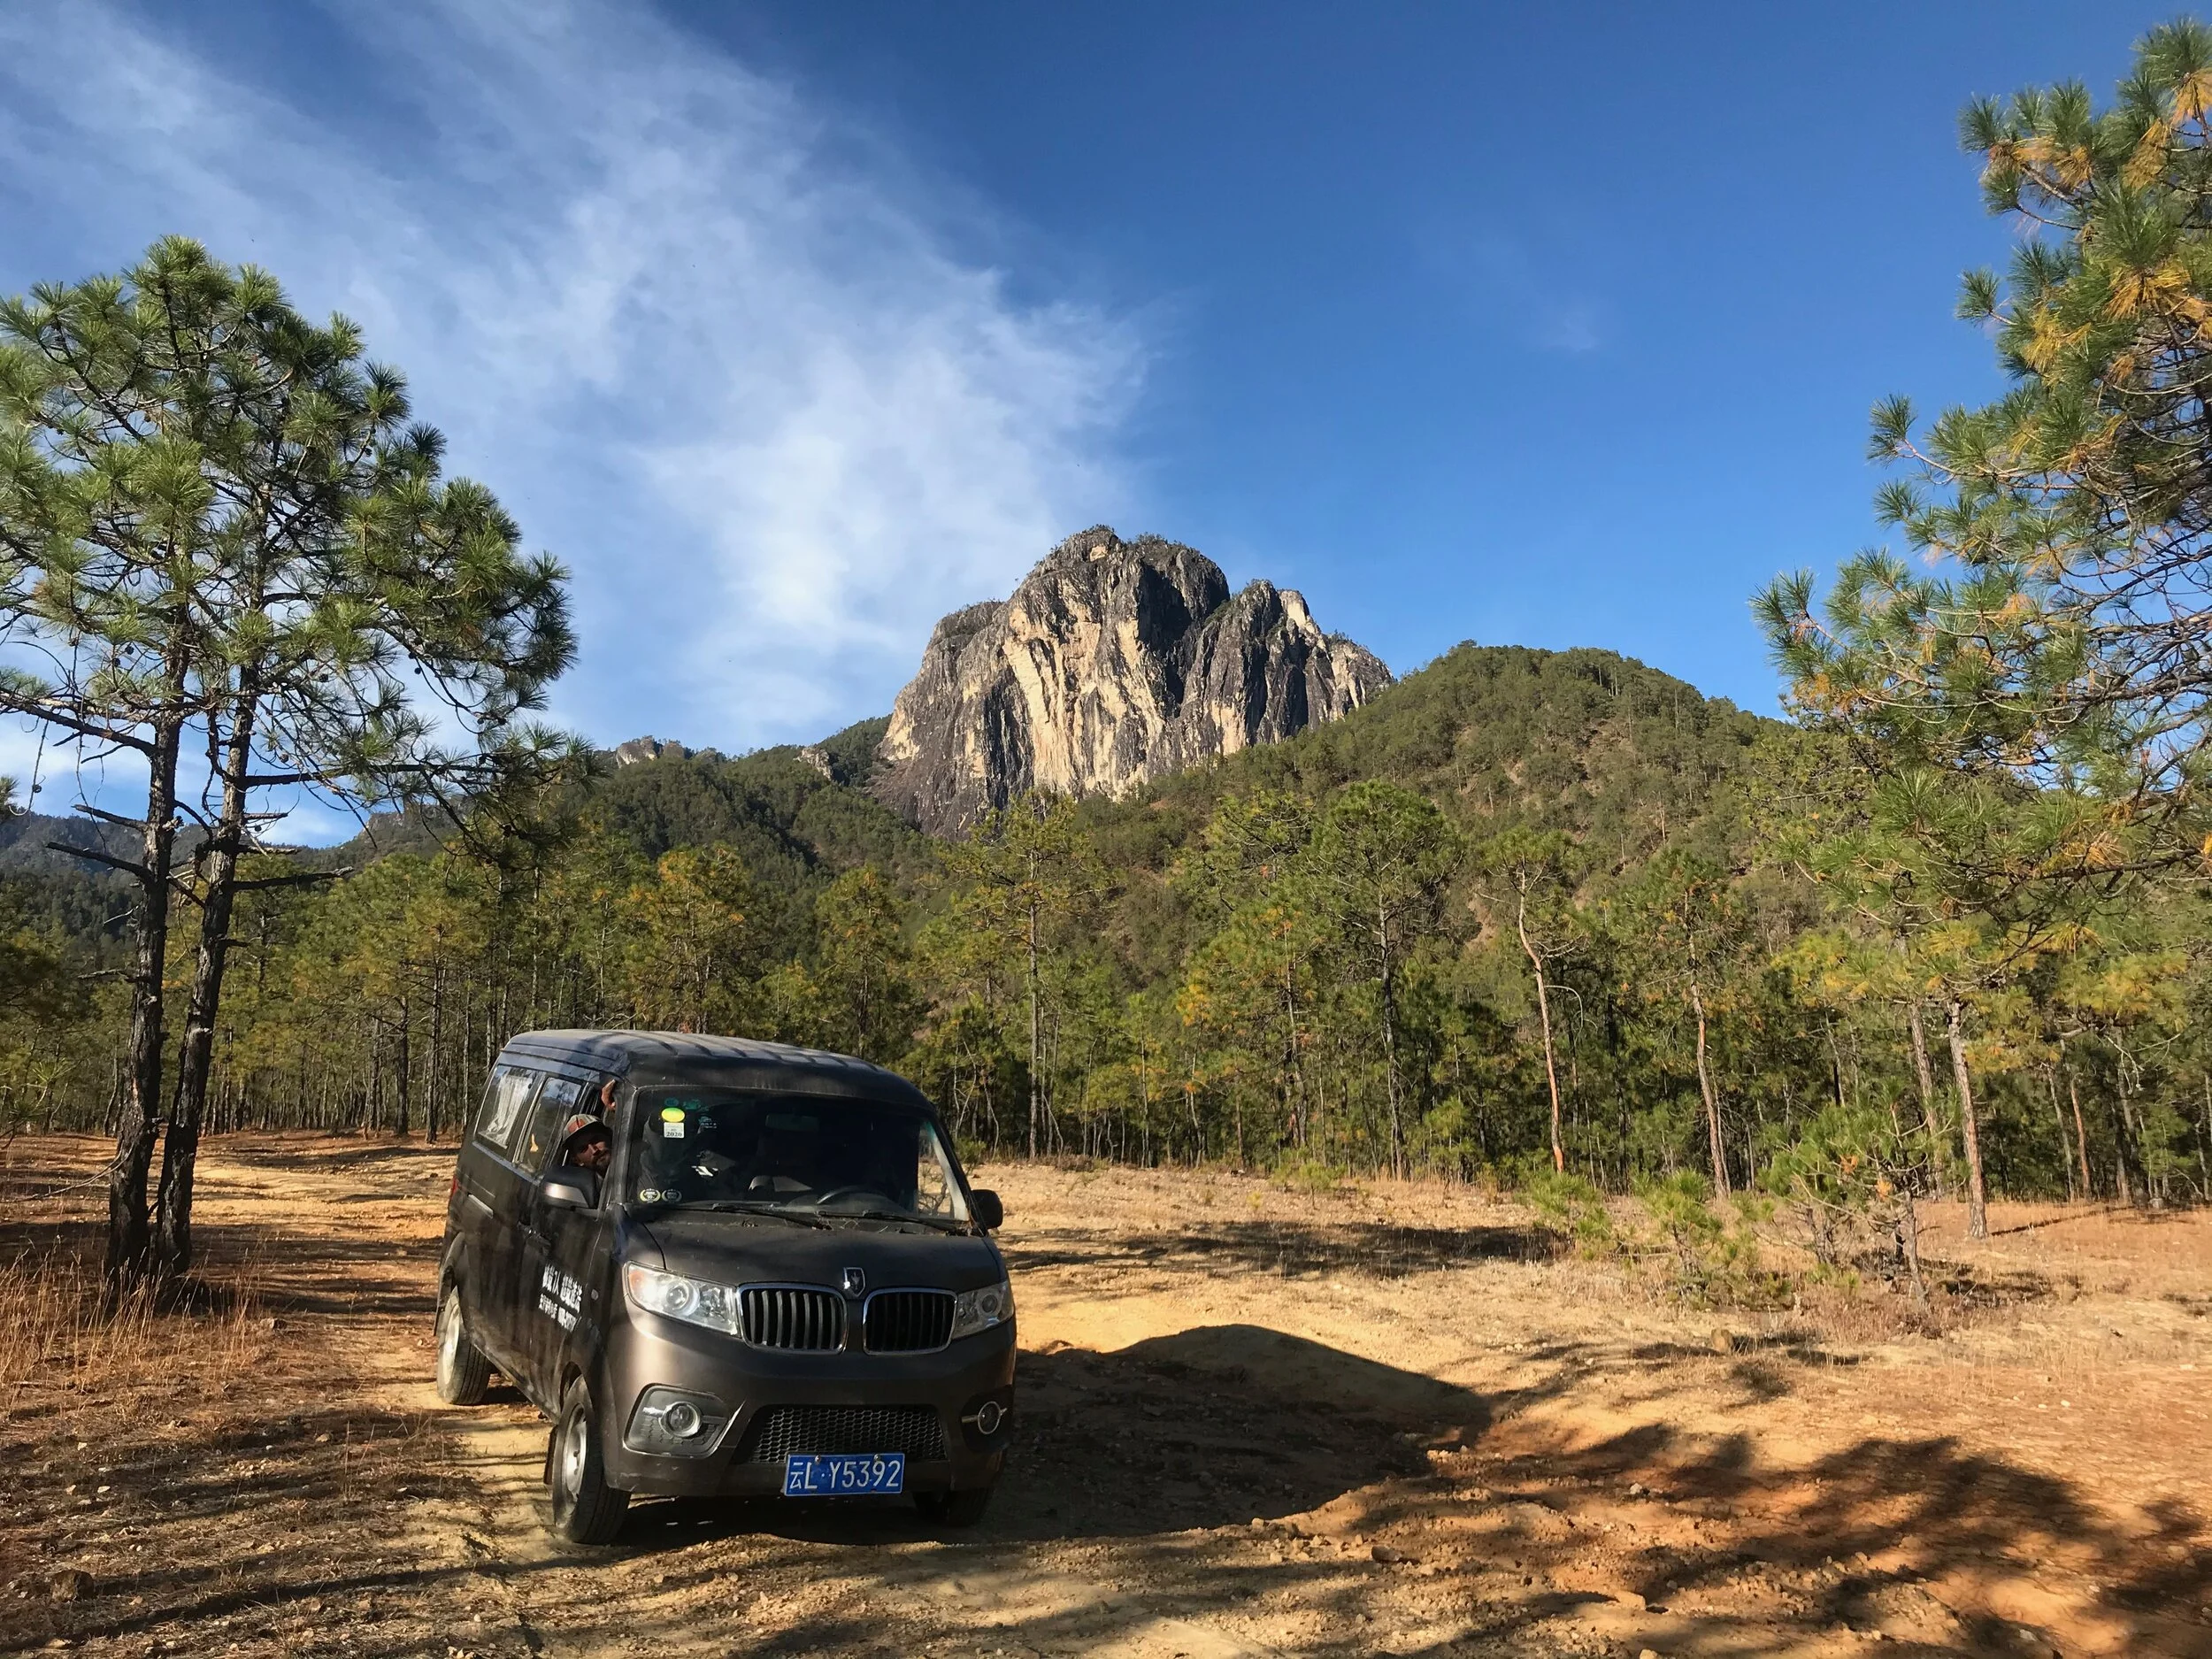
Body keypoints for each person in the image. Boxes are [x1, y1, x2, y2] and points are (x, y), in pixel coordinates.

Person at [557, 1115, 611, 1203]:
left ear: (609, 1136)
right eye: (584, 1148)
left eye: (596, 1140)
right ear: (577, 1160)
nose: (594, 1151)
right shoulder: (591, 1195)